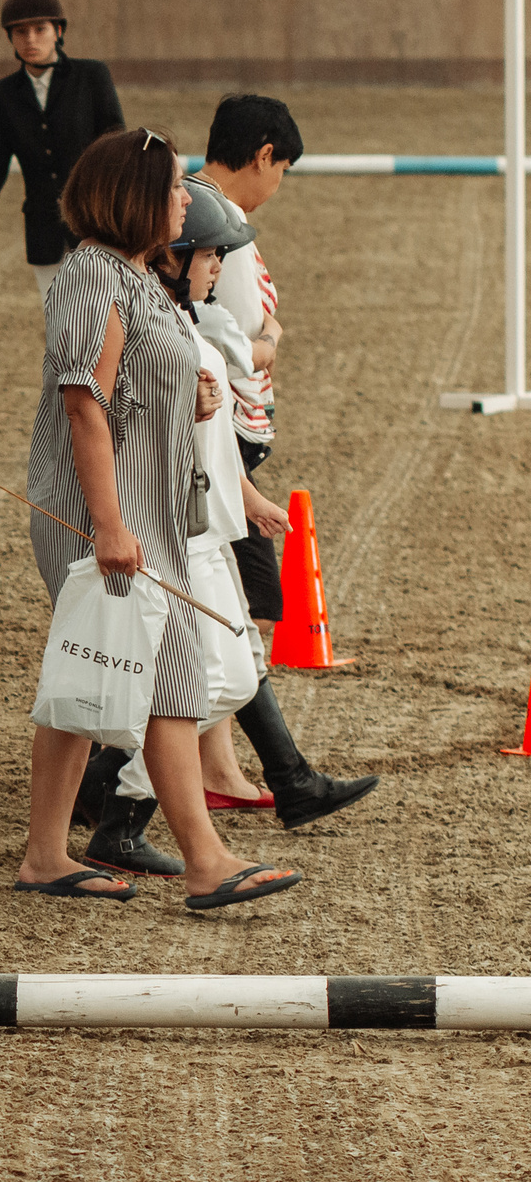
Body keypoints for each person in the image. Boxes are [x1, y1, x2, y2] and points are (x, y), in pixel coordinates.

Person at [14, 127, 301, 910]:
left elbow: (142, 383)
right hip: (107, 514)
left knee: (91, 669)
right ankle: (206, 859)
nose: (186, 199)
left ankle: (46, 854)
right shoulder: (91, 278)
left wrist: (193, 398)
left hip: (149, 514)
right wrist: (107, 524)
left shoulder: (136, 277)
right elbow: (84, 402)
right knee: (167, 672)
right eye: (176, 187)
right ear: (136, 197)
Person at [79, 187, 286, 875]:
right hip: (171, 529)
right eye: (210, 253)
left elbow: (212, 434)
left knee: (228, 680)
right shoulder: (150, 323)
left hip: (207, 525)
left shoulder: (185, 319)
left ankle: (119, 798)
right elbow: (117, 421)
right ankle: (124, 812)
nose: (216, 265)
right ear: (172, 257)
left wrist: (246, 494)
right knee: (209, 679)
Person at [187, 96, 380, 829]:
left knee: (231, 611)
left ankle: (231, 767)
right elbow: (226, 339)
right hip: (221, 441)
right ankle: (124, 777)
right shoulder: (218, 230)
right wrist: (270, 339)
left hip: (227, 445)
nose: (279, 184)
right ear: (264, 152)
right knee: (238, 610)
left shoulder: (209, 216)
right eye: (284, 170)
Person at [0, 0, 125, 298]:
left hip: (97, 226)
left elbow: (117, 151)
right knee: (58, 327)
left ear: (58, 31)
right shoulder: (4, 95)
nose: (30, 39)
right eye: (20, 32)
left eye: (39, 29)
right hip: (43, 232)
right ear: (10, 38)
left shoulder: (92, 77)